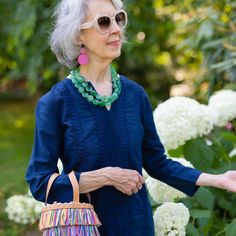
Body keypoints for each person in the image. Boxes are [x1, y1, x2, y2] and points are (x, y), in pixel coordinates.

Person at [25, 0, 236, 235]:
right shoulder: (55, 103)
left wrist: (218, 179)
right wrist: (106, 176)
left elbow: (158, 163)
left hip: (137, 225)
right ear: (77, 36)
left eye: (119, 18)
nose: (116, 29)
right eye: (103, 22)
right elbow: (40, 182)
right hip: (85, 228)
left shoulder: (135, 95)